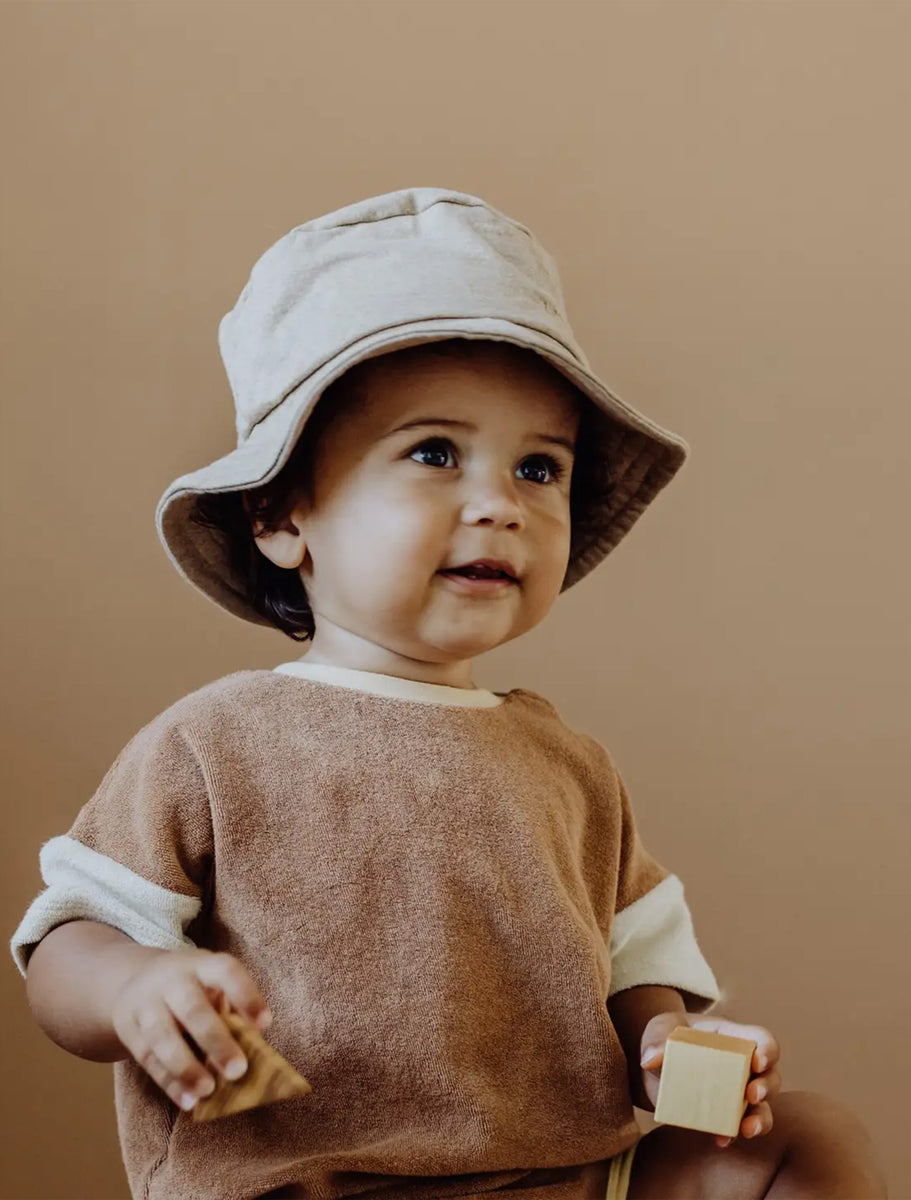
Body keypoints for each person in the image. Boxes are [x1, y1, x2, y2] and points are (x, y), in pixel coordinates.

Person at [10, 189, 887, 1200]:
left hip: (564, 1174)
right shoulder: (217, 743)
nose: (497, 505)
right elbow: (66, 944)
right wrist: (133, 987)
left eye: (538, 468)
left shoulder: (566, 764)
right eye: (434, 453)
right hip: (309, 1176)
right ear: (280, 512)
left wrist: (673, 1043)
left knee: (805, 1144)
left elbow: (632, 969)